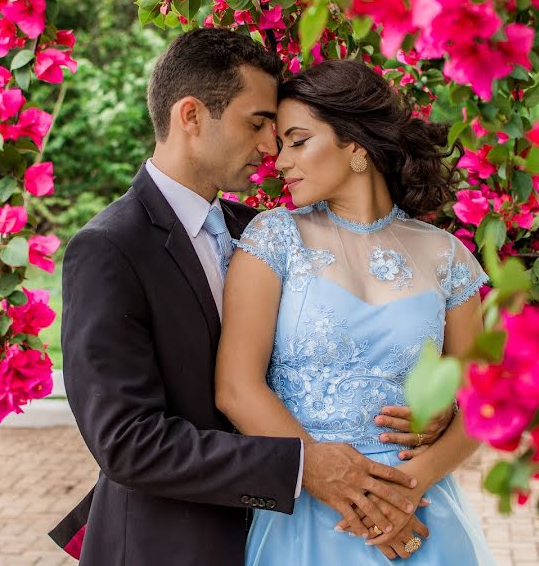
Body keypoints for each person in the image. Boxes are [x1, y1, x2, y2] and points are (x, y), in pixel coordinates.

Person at [48, 28, 456, 565]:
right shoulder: (109, 248)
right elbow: (128, 442)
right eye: (258, 122)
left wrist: (438, 411)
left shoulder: (264, 232)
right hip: (174, 544)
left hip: (288, 537)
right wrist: (301, 465)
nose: (270, 147)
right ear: (191, 116)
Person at [215, 59, 495, 564]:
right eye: (280, 145)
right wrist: (335, 481)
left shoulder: (446, 255)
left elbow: (482, 399)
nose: (279, 161)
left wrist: (408, 487)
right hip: (310, 515)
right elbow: (237, 387)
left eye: (298, 141)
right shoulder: (273, 239)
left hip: (421, 513)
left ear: (356, 145)